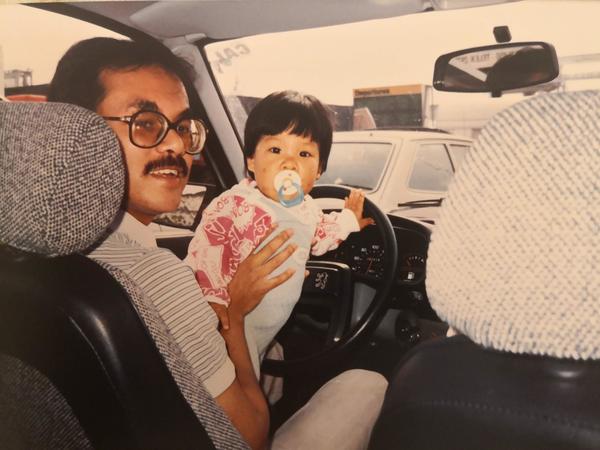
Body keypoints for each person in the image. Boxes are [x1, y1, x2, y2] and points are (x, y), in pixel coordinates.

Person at [47, 37, 386, 450]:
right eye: (146, 123)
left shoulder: (46, 254)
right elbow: (249, 436)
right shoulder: (160, 279)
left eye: (182, 126)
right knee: (368, 382)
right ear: (77, 133)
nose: (174, 144)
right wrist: (237, 314)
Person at [185, 90, 374, 374]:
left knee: (263, 366)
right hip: (228, 326)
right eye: (275, 150)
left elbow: (320, 235)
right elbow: (209, 251)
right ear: (251, 161)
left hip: (265, 331)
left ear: (319, 169)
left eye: (304, 153)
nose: (289, 163)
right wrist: (213, 300)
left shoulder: (307, 209)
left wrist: (349, 220)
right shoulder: (239, 204)